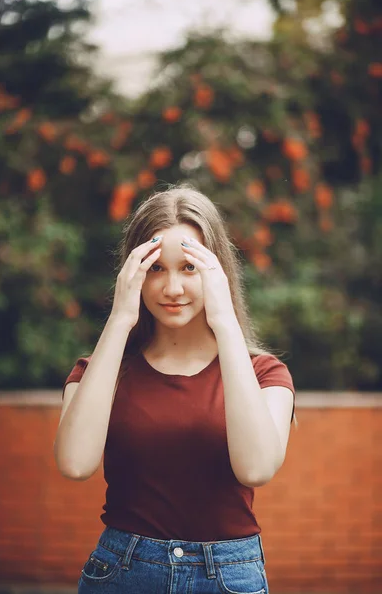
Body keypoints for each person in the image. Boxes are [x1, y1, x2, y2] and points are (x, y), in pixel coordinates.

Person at [54, 184, 296, 594]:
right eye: (155, 269)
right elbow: (75, 464)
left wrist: (224, 321)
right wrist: (119, 319)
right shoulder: (101, 370)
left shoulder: (265, 373)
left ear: (218, 272)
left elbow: (256, 468)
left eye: (189, 268)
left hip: (229, 576)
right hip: (121, 571)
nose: (172, 289)